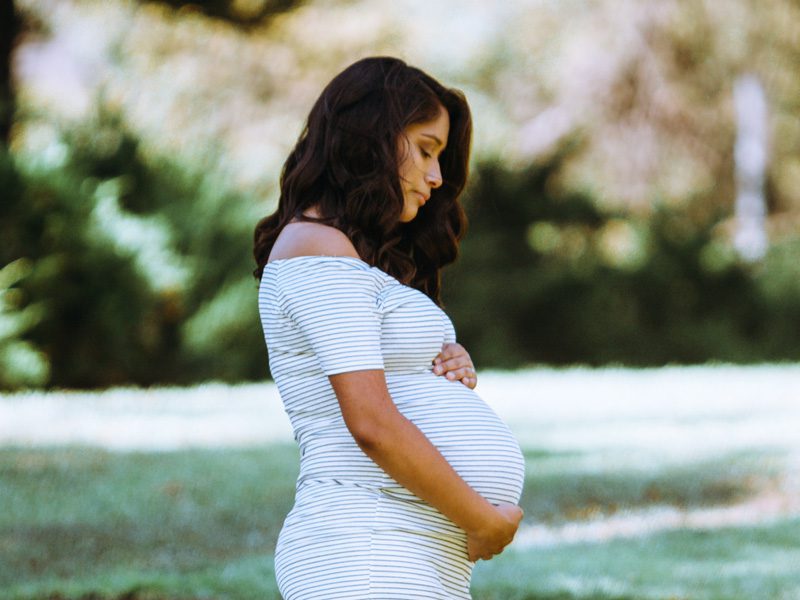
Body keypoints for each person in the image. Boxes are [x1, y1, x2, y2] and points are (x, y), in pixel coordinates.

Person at [254, 56, 525, 599]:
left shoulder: (351, 260)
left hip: (409, 549)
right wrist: (482, 519)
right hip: (365, 547)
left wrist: (444, 367)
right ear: (371, 138)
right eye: (425, 149)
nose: (437, 176)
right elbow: (371, 423)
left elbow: (383, 384)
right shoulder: (316, 248)